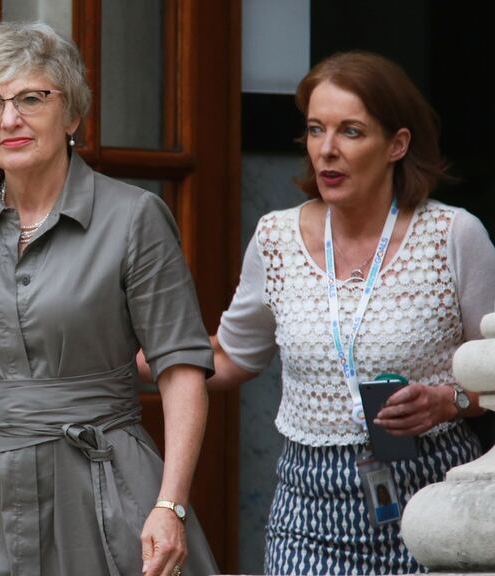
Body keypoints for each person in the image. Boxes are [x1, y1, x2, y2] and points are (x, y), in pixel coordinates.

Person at [0, 21, 219, 576]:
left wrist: (170, 503)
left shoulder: (134, 217)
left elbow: (181, 368)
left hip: (102, 493)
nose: (9, 119)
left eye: (30, 98)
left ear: (71, 114)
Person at [209, 51, 495, 574]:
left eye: (351, 132)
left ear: (397, 145)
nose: (327, 151)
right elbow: (232, 357)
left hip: (434, 504)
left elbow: (494, 373)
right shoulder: (275, 237)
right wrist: (133, 354)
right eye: (316, 130)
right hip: (306, 511)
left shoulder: (455, 236)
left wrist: (449, 401)